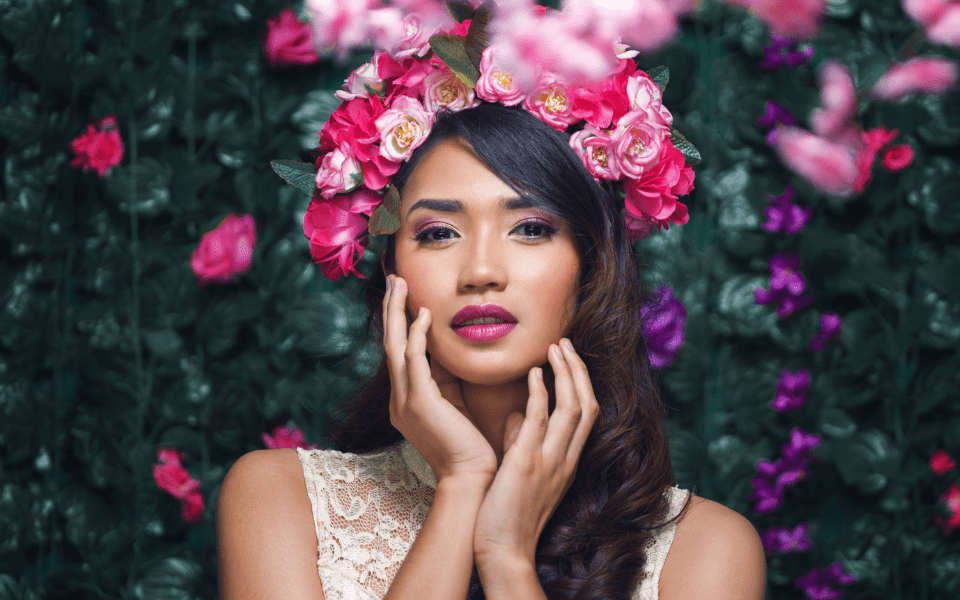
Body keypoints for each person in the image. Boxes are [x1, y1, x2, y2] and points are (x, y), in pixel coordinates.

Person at [218, 6, 765, 596]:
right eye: (437, 233)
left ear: (593, 262)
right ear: (391, 266)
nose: (480, 272)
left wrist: (506, 558)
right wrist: (461, 483)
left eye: (531, 228)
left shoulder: (706, 551)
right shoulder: (279, 500)